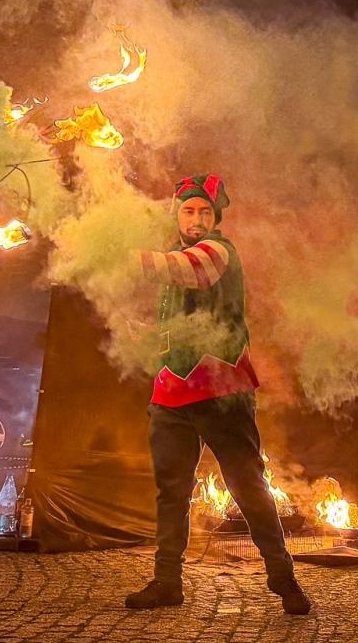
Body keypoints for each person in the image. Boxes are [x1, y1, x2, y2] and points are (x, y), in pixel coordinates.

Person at [125, 174, 311, 616]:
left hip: (222, 392)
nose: (196, 219)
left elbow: (195, 271)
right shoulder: (174, 255)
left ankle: (284, 580)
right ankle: (167, 582)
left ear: (216, 217)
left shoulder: (219, 251)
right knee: (171, 492)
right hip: (171, 392)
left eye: (204, 212)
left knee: (248, 487)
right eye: (188, 211)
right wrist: (151, 335)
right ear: (177, 215)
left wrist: (122, 256)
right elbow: (180, 318)